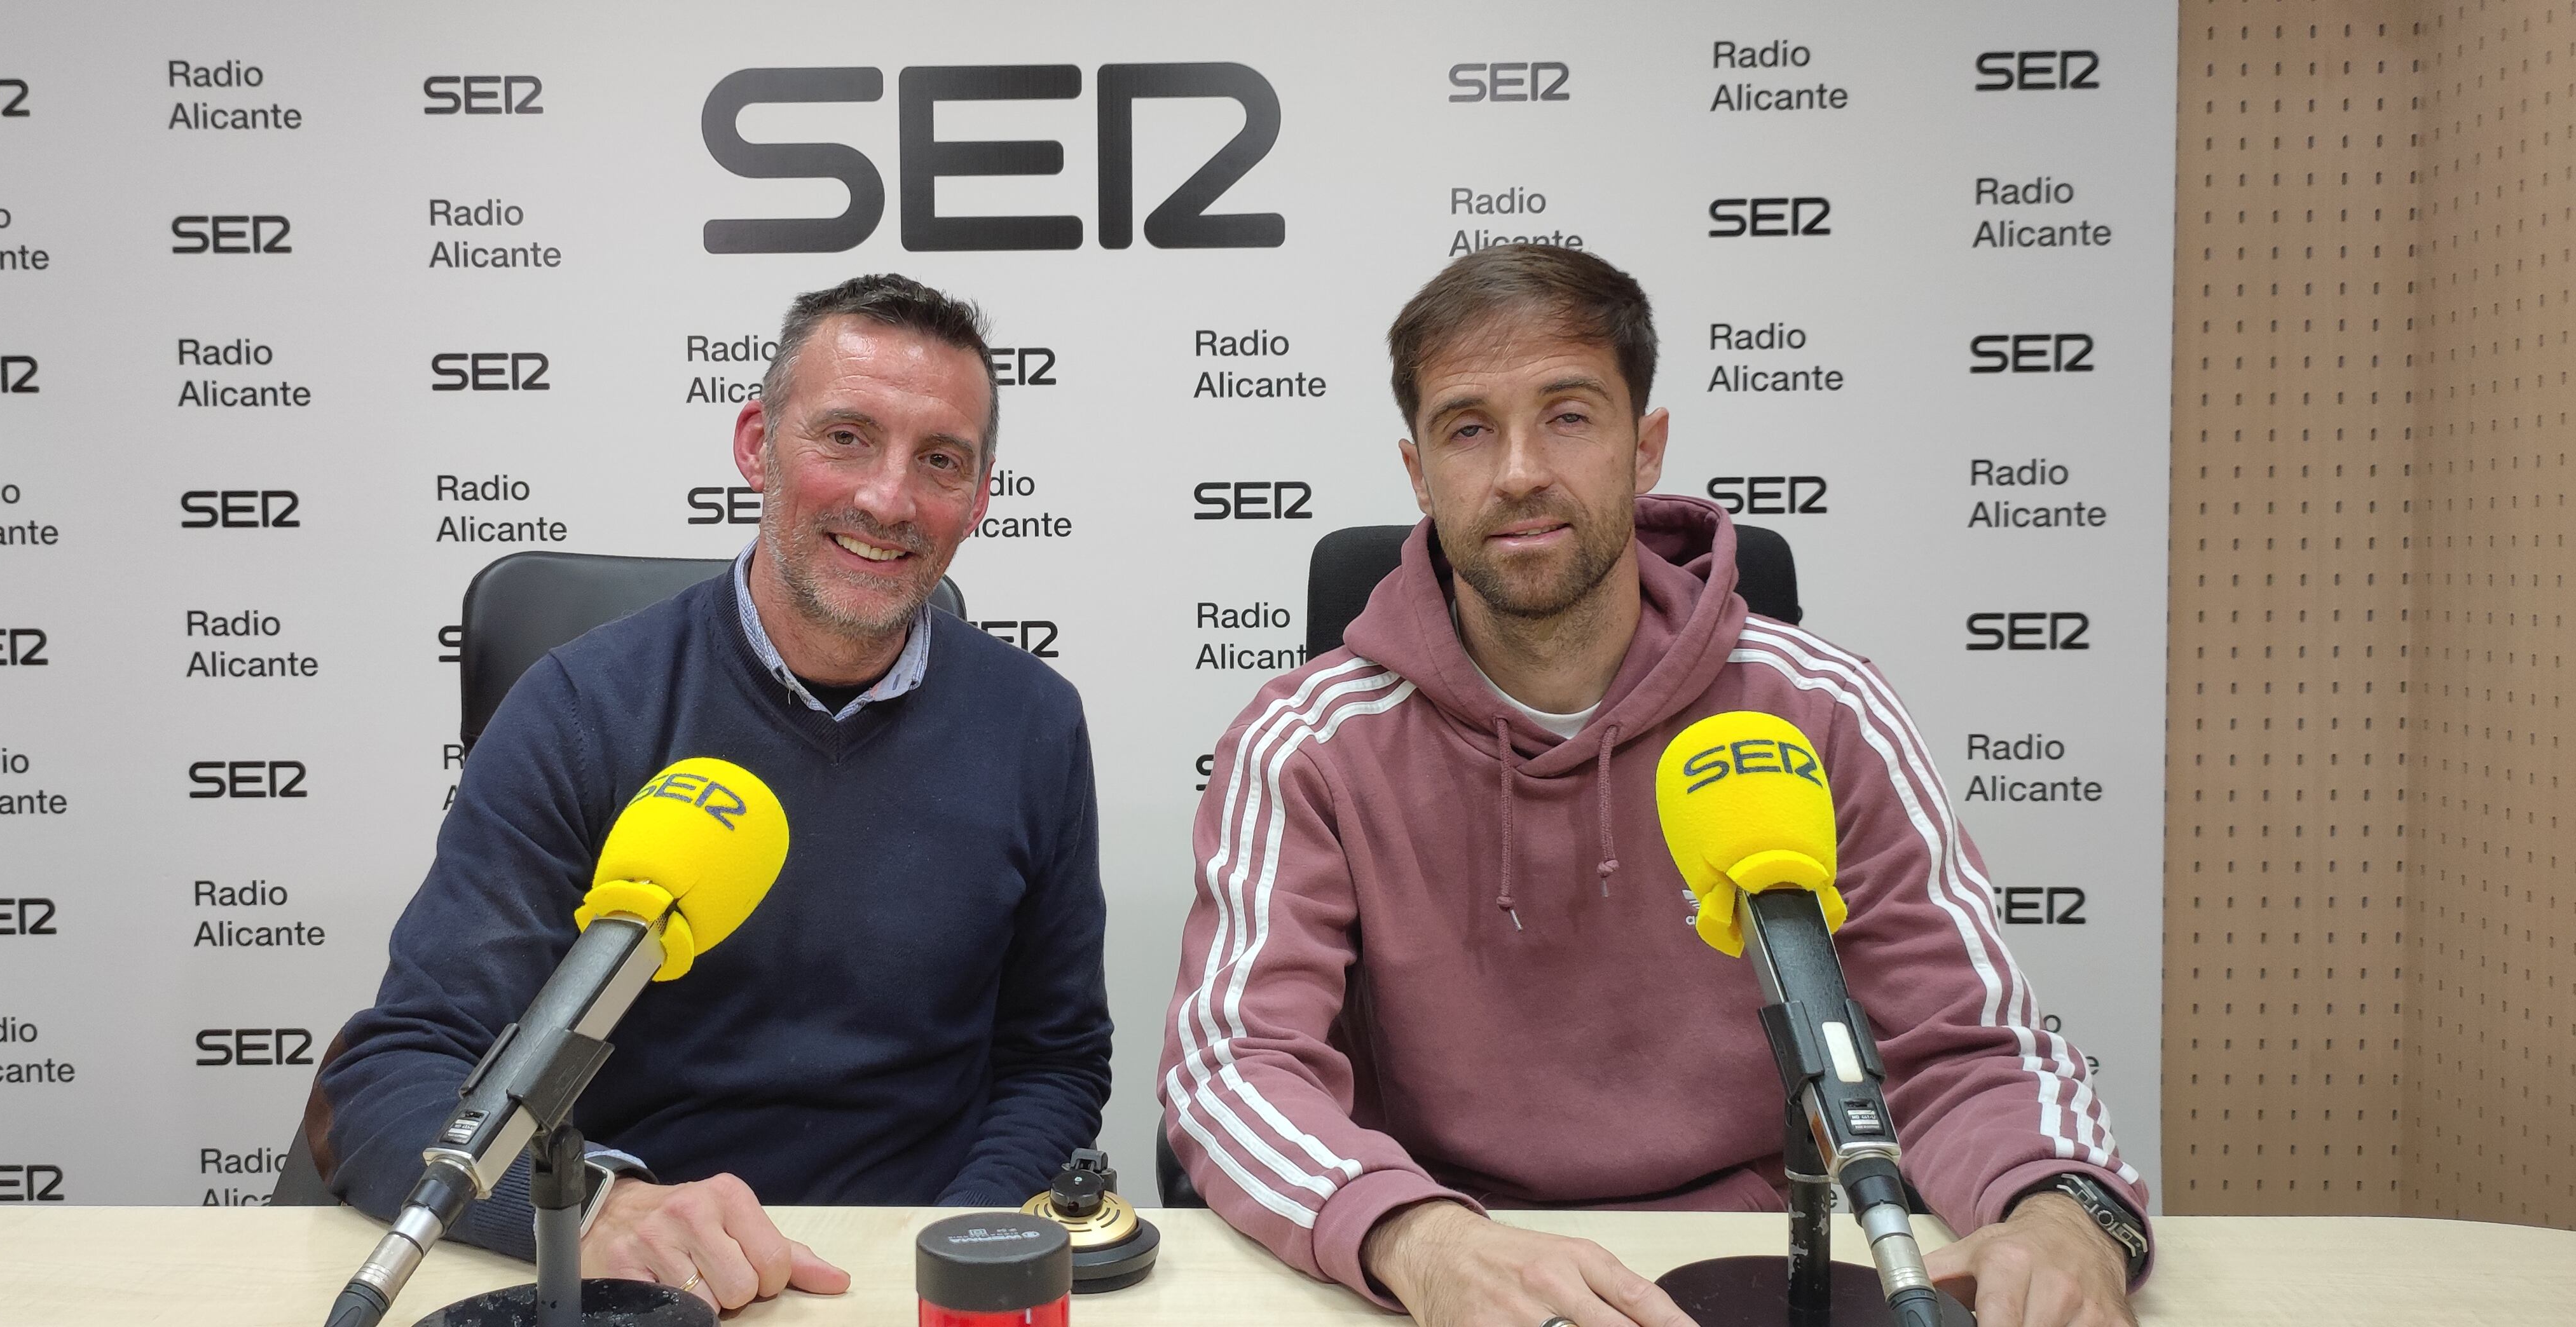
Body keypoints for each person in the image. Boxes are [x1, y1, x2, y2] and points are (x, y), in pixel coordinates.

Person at [1160, 244, 2149, 1327]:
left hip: (1764, 1259)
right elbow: (1234, 1072)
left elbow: (1962, 1047)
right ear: (1419, 474)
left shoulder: (1818, 711)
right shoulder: (1305, 743)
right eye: (1469, 428)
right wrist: (1418, 1237)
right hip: (1457, 1264)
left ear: (1647, 450)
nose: (1520, 471)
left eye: (1571, 416)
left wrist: (2063, 1210)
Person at [312, 274, 1111, 1314]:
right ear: (755, 446)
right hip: (642, 1281)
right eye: (846, 438)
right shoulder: (581, 708)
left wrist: (956, 1248)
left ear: (981, 497)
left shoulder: (1033, 723)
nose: (888, 499)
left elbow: (1053, 1065)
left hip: (906, 1270)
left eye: (941, 462)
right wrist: (599, 1212)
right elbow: (398, 1069)